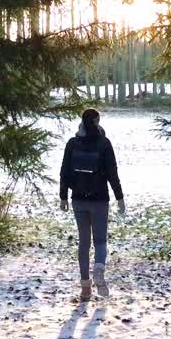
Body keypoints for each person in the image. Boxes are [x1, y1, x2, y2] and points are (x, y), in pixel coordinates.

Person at [59, 108, 125, 301]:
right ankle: (99, 267)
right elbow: (113, 173)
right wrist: (120, 198)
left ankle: (85, 288)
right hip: (99, 200)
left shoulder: (72, 143)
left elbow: (64, 171)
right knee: (100, 241)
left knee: (84, 243)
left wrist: (63, 196)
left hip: (78, 199)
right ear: (97, 121)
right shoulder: (104, 143)